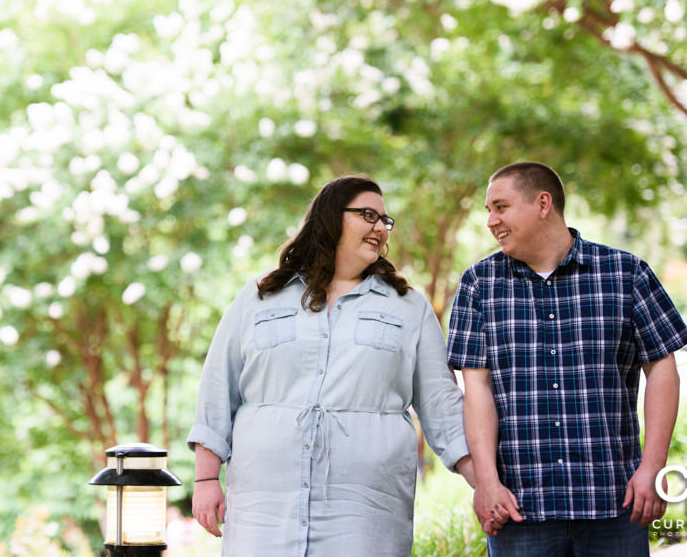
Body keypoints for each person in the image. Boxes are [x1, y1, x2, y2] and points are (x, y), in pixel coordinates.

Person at [187, 175, 474, 556]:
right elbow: (217, 390)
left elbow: (442, 405)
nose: (380, 228)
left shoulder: (408, 307)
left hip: (364, 513)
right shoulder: (260, 297)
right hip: (264, 511)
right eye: (368, 215)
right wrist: (206, 478)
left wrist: (484, 483)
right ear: (330, 219)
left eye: (385, 221)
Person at [446, 162, 687, 556]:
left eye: (501, 207)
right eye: (488, 210)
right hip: (521, 508)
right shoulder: (479, 284)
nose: (491, 221)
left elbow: (662, 369)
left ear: (543, 203)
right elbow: (477, 389)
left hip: (615, 503)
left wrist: (652, 468)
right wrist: (486, 483)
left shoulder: (626, 273)